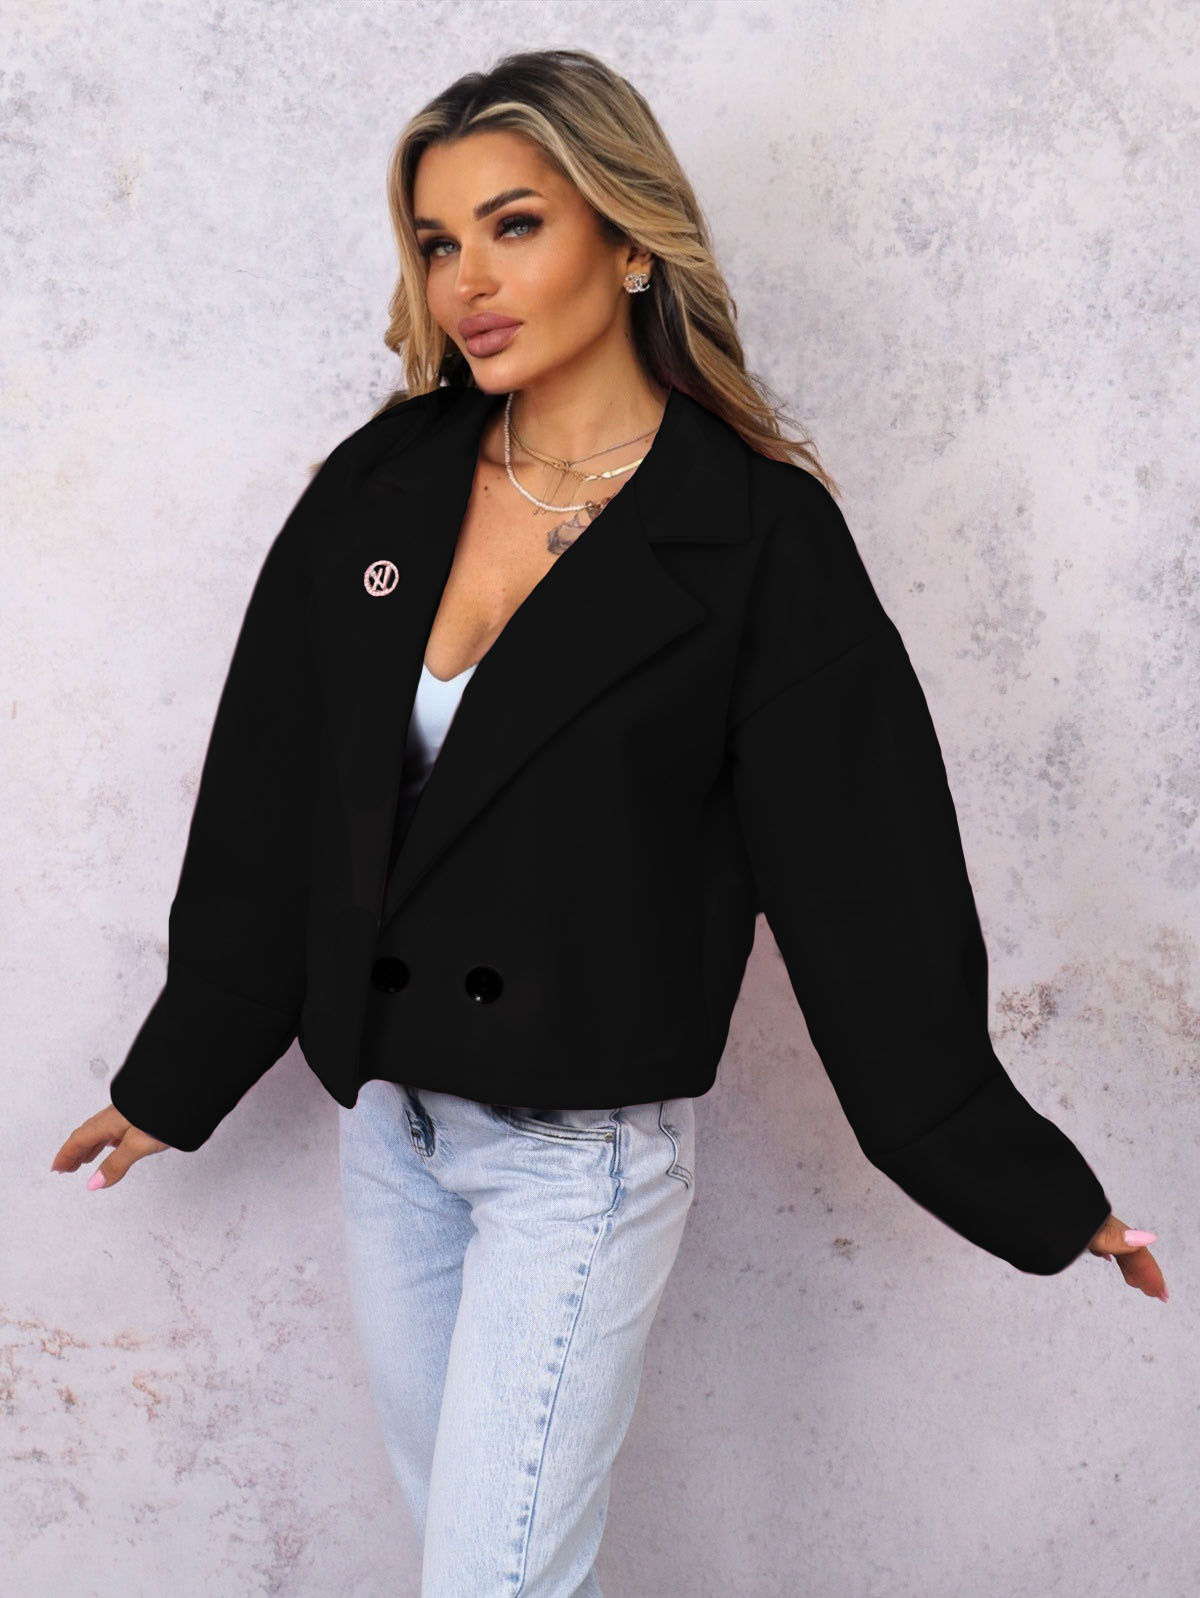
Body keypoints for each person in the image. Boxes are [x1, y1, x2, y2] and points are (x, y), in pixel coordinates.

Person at [51, 46, 1166, 1598]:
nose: (467, 279)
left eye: (514, 225)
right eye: (438, 241)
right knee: (479, 1567)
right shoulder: (381, 485)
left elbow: (869, 880)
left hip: (576, 1155)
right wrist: (178, 1071)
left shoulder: (755, 535)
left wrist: (1029, 1184)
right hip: (391, 1133)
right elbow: (273, 798)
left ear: (630, 240)